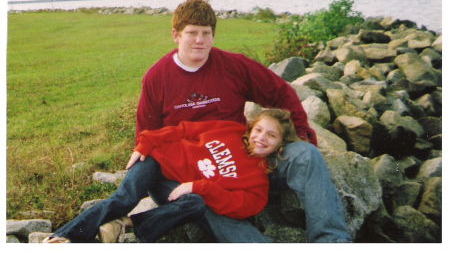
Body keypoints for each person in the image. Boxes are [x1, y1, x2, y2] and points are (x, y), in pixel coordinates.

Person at [136, 0, 352, 243]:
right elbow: (146, 136)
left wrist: (302, 134)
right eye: (192, 33)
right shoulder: (157, 77)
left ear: (214, 35)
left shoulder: (233, 66)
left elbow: (280, 92)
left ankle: (332, 240)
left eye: (206, 33)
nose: (199, 40)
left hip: (246, 164)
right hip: (192, 175)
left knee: (307, 155)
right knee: (200, 202)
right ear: (176, 35)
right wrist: (140, 187)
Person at [42, 109, 299, 243]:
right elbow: (185, 130)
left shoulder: (258, 185)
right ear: (252, 127)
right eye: (259, 130)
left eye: (271, 136)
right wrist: (146, 143)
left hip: (178, 189)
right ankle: (60, 238)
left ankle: (125, 225)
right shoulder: (232, 130)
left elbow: (235, 208)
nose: (261, 138)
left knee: (196, 205)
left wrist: (197, 186)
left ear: (280, 145)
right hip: (157, 162)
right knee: (125, 198)